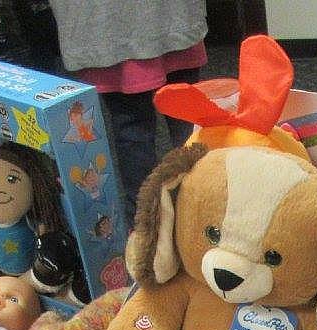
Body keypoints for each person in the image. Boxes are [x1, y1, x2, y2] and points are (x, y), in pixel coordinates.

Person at [48, 0, 208, 221]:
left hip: (109, 24)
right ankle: (199, 210)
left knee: (147, 128)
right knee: (185, 122)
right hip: (141, 20)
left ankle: (150, 223)